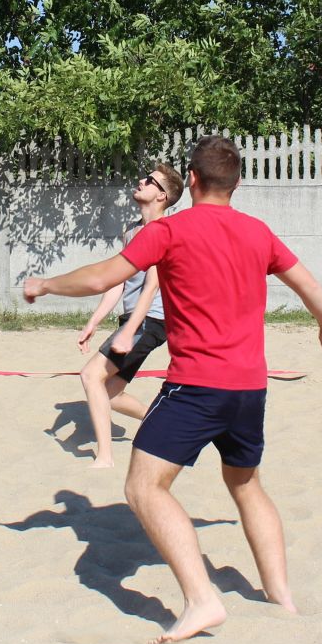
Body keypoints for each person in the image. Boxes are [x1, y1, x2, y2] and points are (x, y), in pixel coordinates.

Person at [22, 135, 322, 644]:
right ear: (236, 184)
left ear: (191, 179)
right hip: (250, 389)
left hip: (197, 386)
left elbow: (102, 277)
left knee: (143, 487)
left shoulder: (170, 230)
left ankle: (201, 600)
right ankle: (282, 597)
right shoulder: (258, 231)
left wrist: (44, 284)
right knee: (246, 484)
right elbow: (307, 284)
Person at [76, 163, 183, 468]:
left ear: (162, 196)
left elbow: (152, 286)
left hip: (150, 321)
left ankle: (105, 456)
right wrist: (94, 321)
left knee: (90, 375)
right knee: (110, 393)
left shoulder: (165, 232)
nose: (141, 181)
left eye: (150, 181)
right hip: (135, 320)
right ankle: (161, 424)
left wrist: (131, 327)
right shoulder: (132, 231)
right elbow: (118, 282)